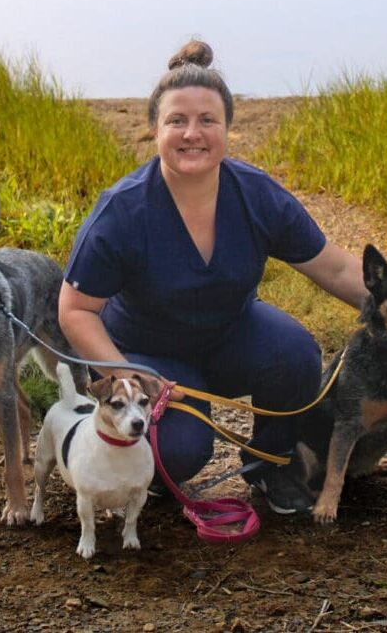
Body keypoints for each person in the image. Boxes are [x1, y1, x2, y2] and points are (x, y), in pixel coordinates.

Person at [59, 41, 367, 514]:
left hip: (230, 335)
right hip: (144, 353)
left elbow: (336, 266)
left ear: (227, 128)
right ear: (154, 130)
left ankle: (270, 466)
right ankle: (145, 469)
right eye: (176, 121)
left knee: (296, 353)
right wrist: (127, 373)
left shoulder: (257, 195)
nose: (192, 134)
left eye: (208, 121)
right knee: (183, 449)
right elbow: (75, 311)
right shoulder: (122, 211)